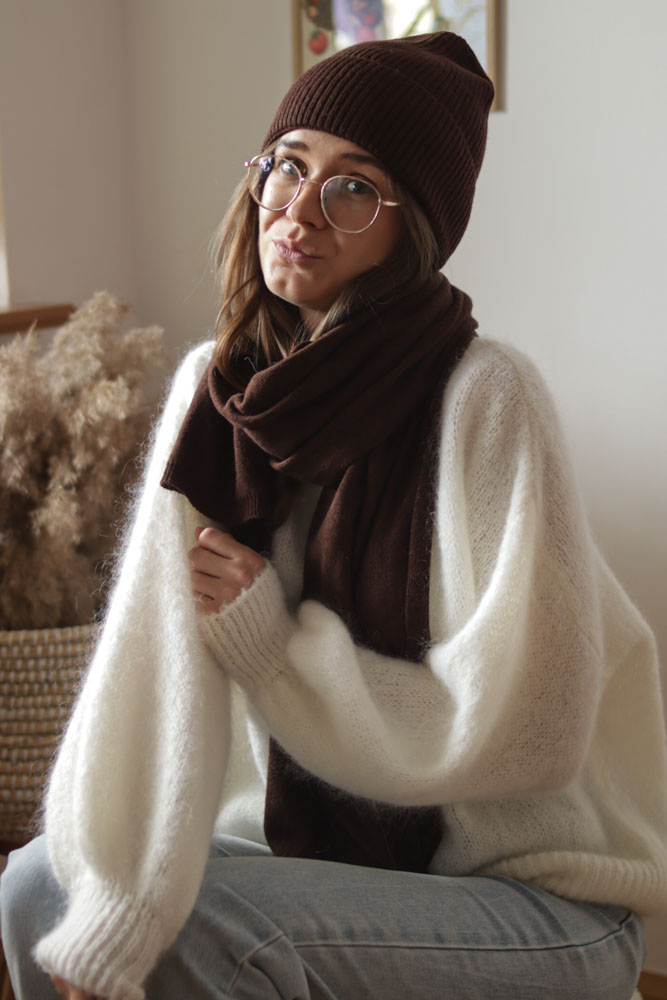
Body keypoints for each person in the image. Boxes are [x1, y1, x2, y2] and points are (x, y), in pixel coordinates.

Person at [1, 31, 665, 1000]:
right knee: (38, 887)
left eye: (354, 187)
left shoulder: (485, 397)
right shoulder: (215, 393)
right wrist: (117, 888)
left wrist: (275, 650)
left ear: (413, 228)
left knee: (217, 930)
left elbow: (532, 730)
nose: (300, 210)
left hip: (530, 895)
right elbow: (151, 656)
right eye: (288, 165)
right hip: (302, 856)